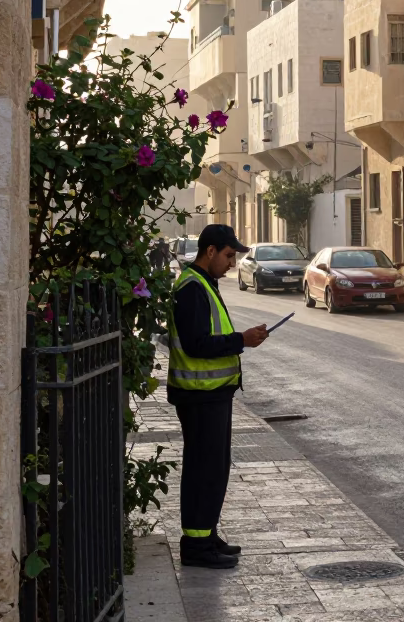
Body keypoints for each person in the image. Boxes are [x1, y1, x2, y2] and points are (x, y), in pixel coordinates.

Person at [167, 224, 269, 569]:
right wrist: (241, 340)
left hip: (210, 394)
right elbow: (197, 345)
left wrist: (241, 340)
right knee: (203, 470)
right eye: (228, 255)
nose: (231, 263)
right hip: (199, 395)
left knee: (214, 468)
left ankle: (206, 535)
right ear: (209, 251)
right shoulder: (192, 287)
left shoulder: (203, 283)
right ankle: (196, 548)